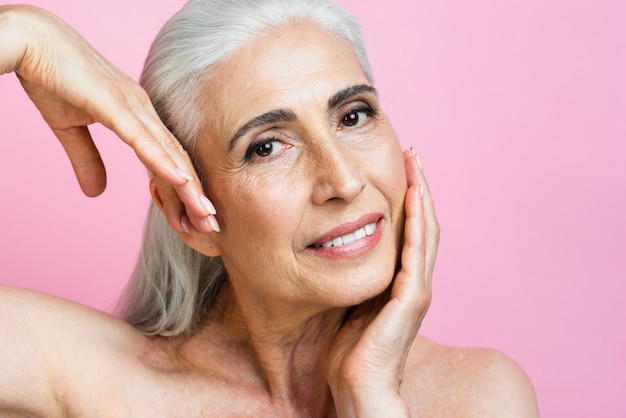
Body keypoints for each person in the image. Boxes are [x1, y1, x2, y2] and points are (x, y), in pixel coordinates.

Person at [0, 1, 539, 416]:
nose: (345, 181)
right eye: (267, 146)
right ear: (189, 214)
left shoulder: (480, 395)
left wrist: (369, 397)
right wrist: (22, 35)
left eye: (353, 116)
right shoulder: (90, 381)